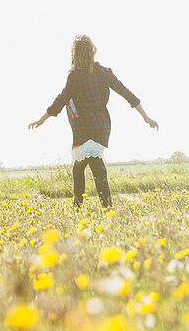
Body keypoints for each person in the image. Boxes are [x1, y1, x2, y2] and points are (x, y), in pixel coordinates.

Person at [28, 35, 158, 208]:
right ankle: (79, 207)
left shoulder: (75, 76)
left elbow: (61, 100)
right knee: (79, 167)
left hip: (84, 127)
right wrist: (146, 117)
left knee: (96, 166)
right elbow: (128, 94)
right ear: (92, 51)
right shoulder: (103, 73)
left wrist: (42, 119)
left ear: (74, 54)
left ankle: (106, 208)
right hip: (100, 126)